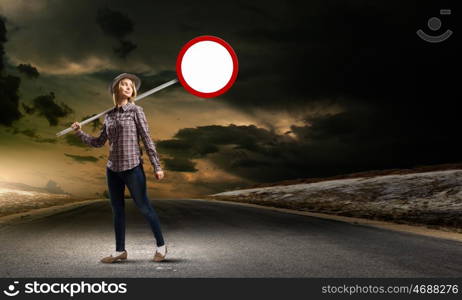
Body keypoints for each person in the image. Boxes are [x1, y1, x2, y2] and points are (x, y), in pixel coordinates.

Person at [71, 73, 167, 263]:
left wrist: (157, 165)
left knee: (144, 207)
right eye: (124, 84)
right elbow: (99, 142)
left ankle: (161, 247)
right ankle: (119, 251)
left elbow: (147, 139)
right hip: (112, 169)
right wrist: (79, 132)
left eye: (130, 85)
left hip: (132, 167)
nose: (128, 87)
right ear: (116, 89)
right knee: (117, 210)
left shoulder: (136, 111)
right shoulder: (109, 116)